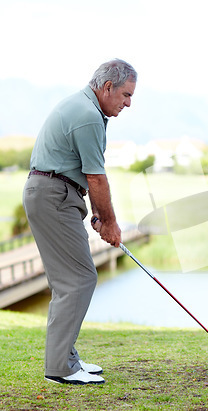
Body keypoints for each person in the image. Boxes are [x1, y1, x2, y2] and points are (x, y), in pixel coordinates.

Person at [23, 59, 137, 385]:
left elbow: (84, 175)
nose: (128, 103)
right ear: (107, 87)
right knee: (79, 279)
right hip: (53, 196)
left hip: (54, 193)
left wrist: (98, 214)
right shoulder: (88, 116)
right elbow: (96, 178)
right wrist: (111, 223)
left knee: (71, 280)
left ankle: (66, 358)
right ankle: (61, 366)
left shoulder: (84, 108)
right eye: (125, 95)